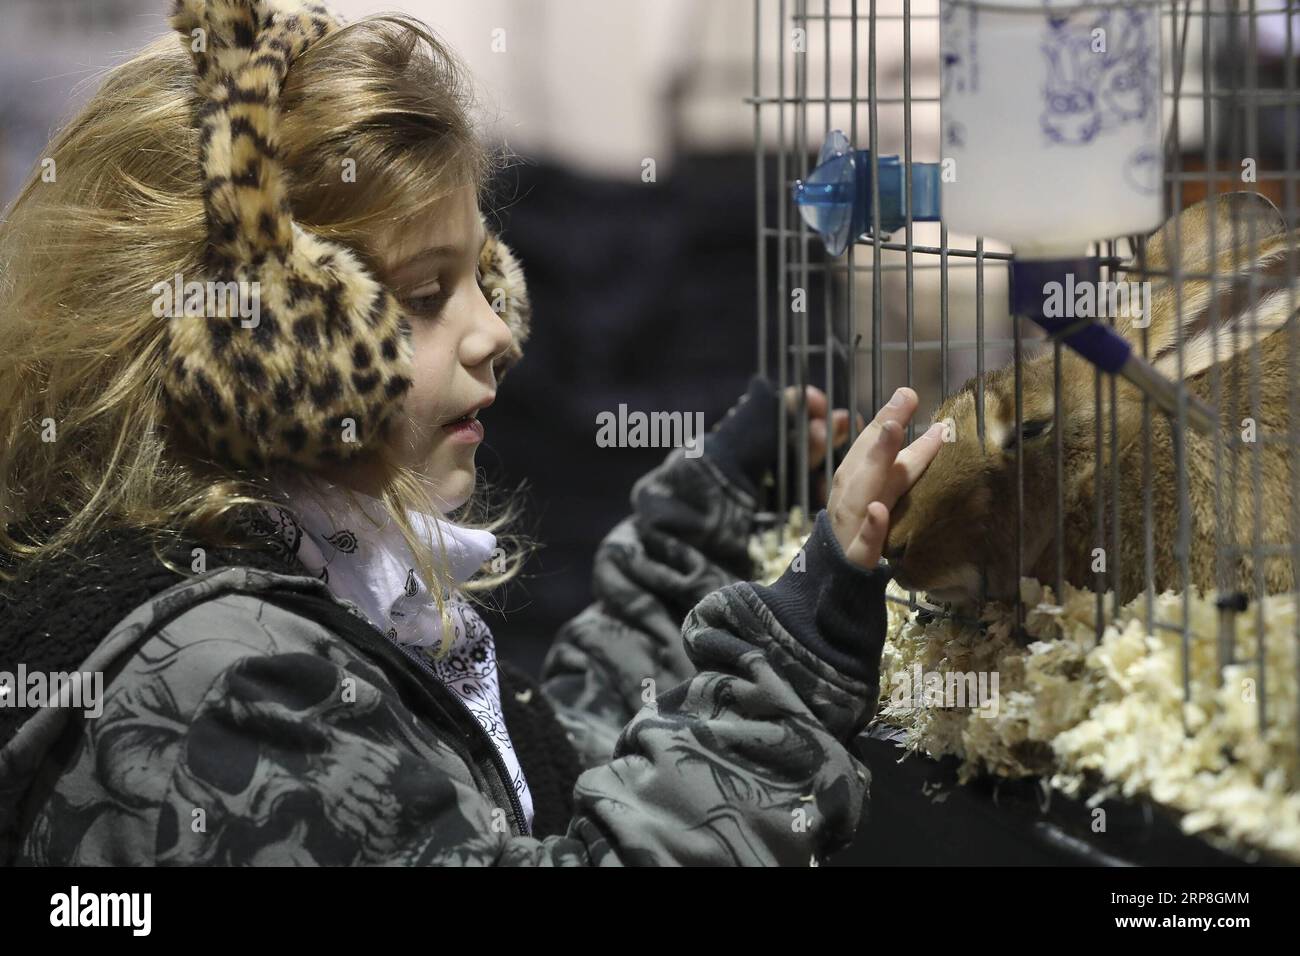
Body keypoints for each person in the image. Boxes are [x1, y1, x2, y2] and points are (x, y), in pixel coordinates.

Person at [0, 0, 943, 865]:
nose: (496, 332)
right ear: (249, 348)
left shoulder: (293, 573)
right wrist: (796, 663)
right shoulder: (236, 690)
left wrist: (694, 542)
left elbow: (529, 790)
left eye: (480, 276)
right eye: (423, 297)